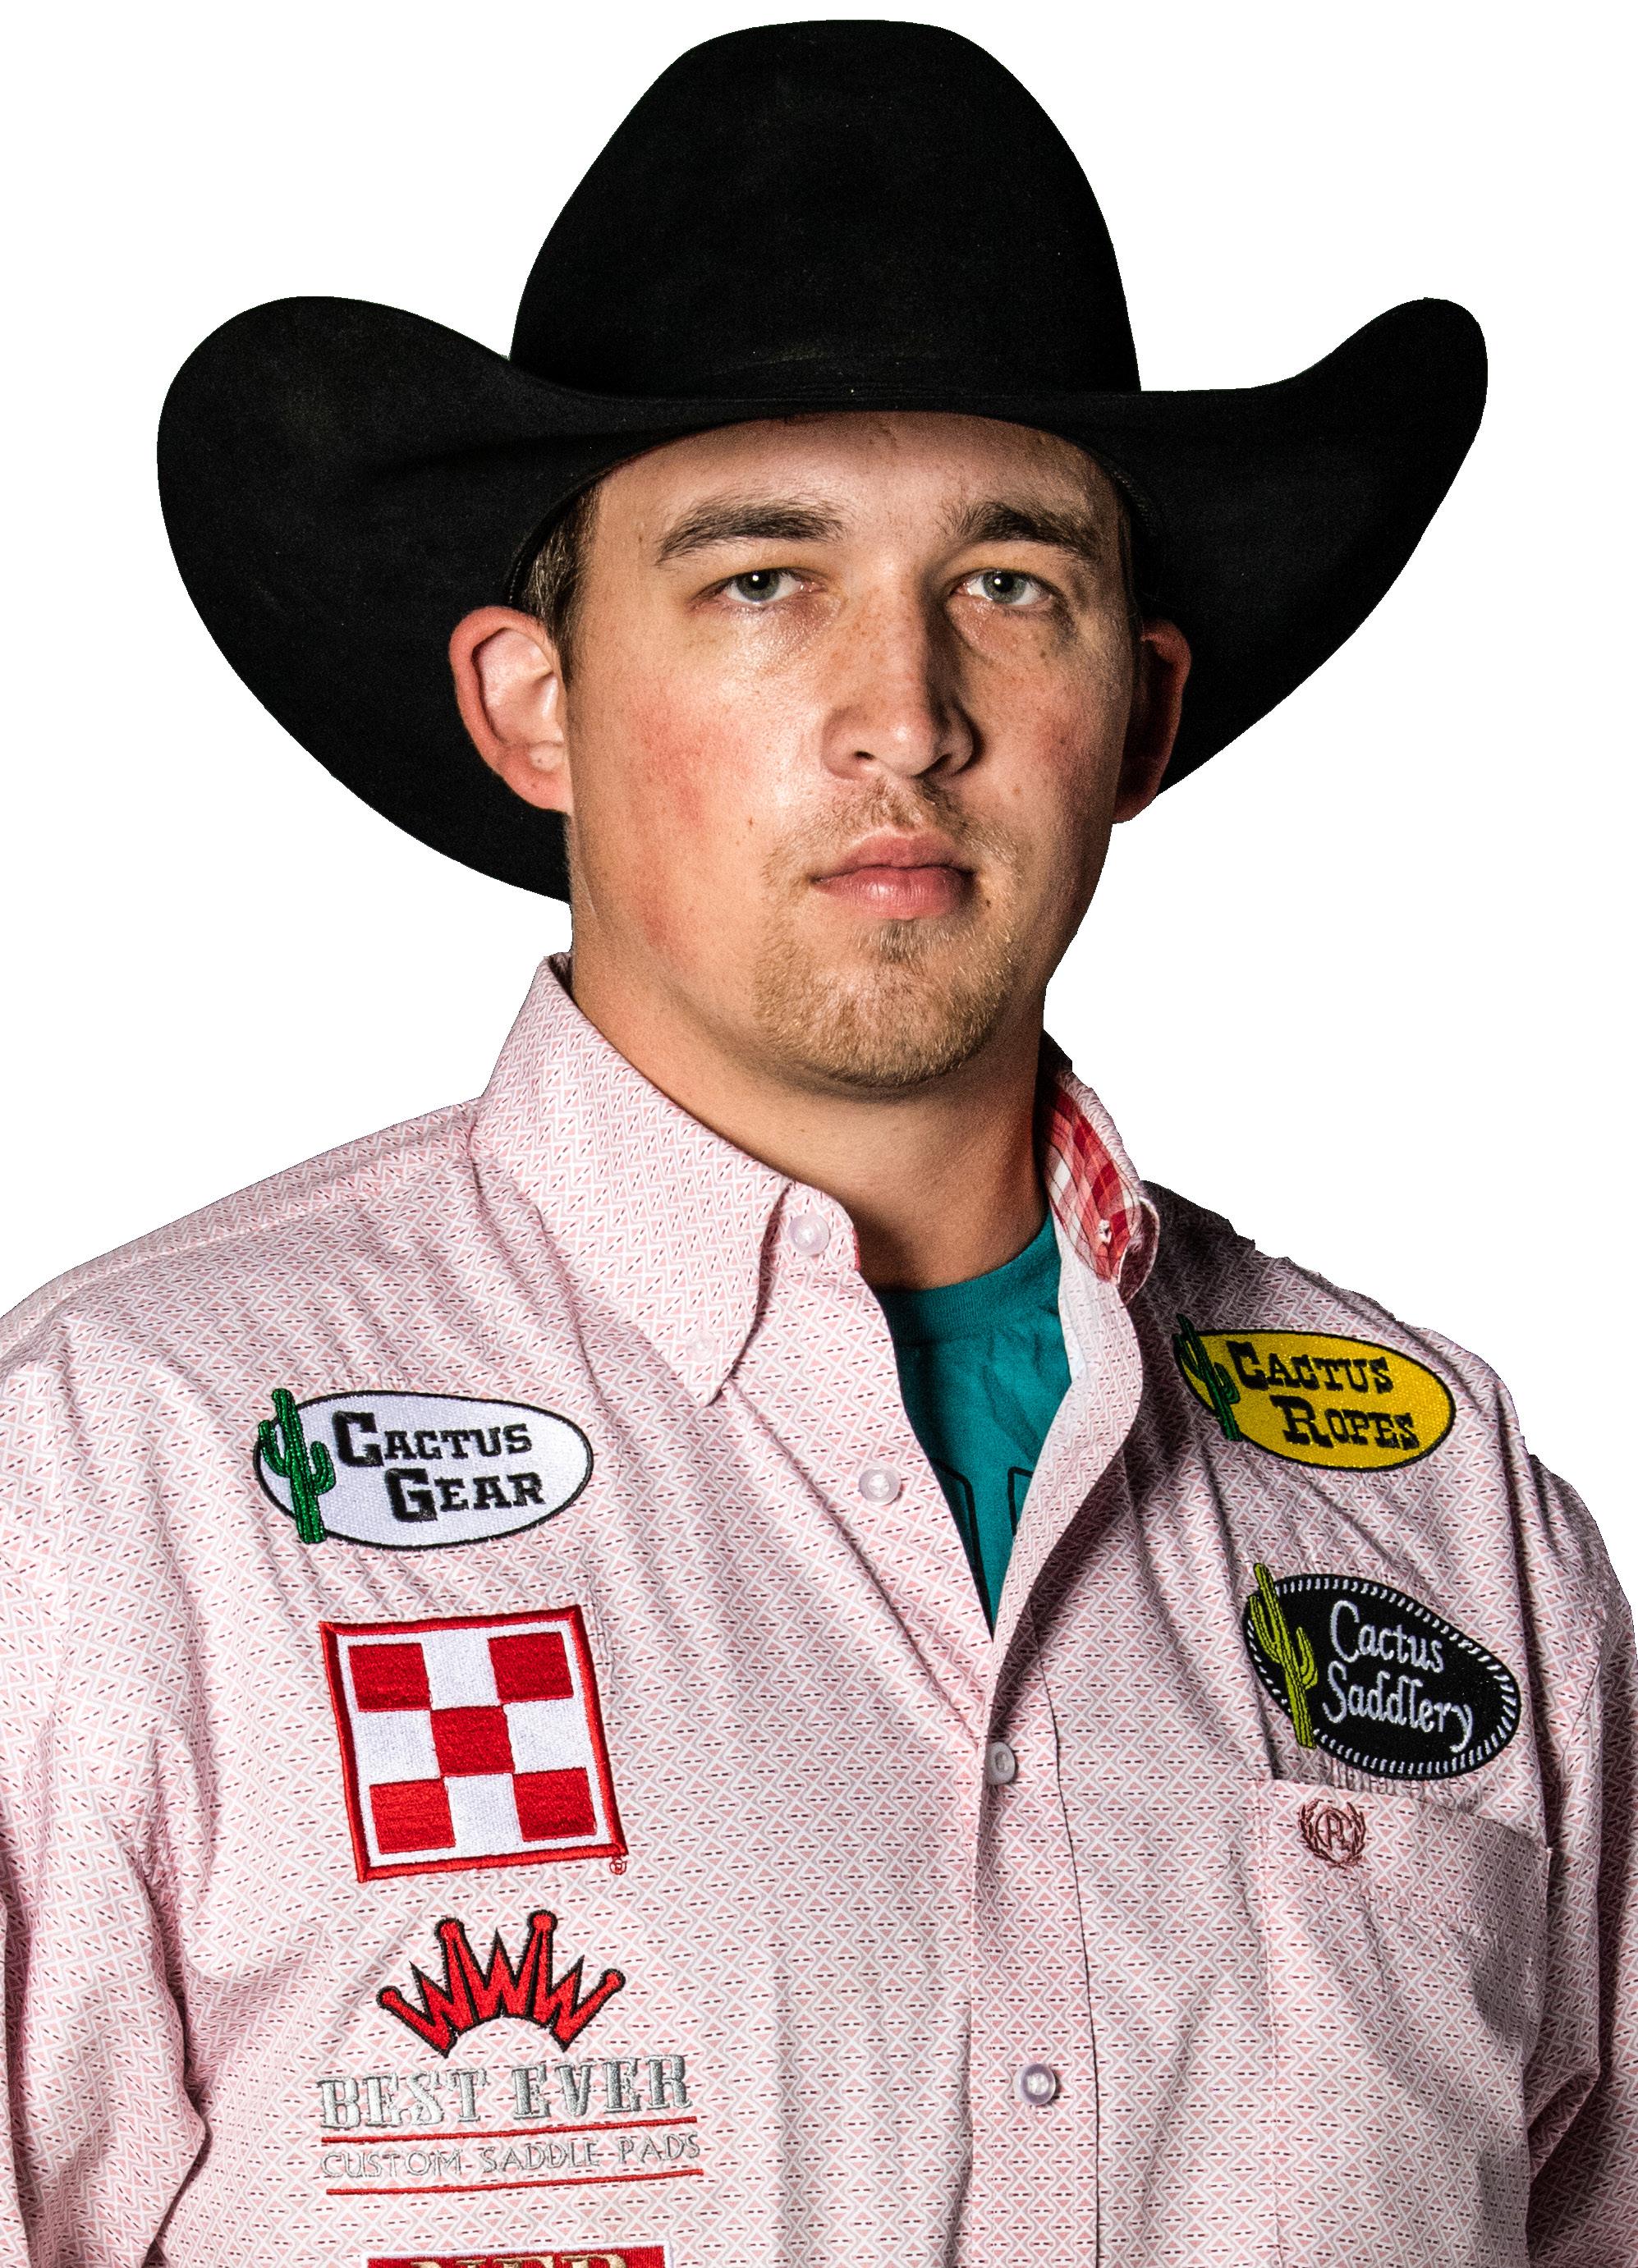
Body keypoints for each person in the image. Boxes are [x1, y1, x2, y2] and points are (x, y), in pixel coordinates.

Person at [1, 19, 1631, 2266]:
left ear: (1138, 714)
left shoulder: (1444, 1518)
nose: (906, 716)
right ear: (534, 703)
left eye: (1011, 584)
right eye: (761, 579)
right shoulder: (124, 1483)